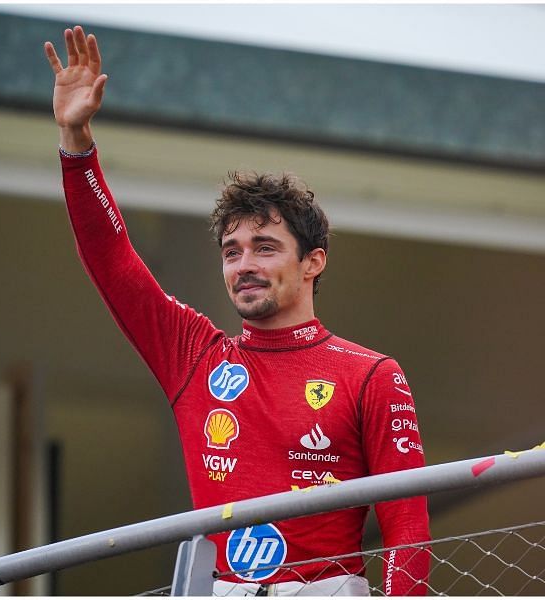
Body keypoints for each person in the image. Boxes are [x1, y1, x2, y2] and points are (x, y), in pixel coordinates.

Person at [44, 26, 430, 596]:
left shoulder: (372, 374)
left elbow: (407, 527)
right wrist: (76, 143)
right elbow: (111, 260)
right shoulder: (194, 356)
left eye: (265, 247)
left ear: (313, 262)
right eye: (232, 252)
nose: (243, 264)